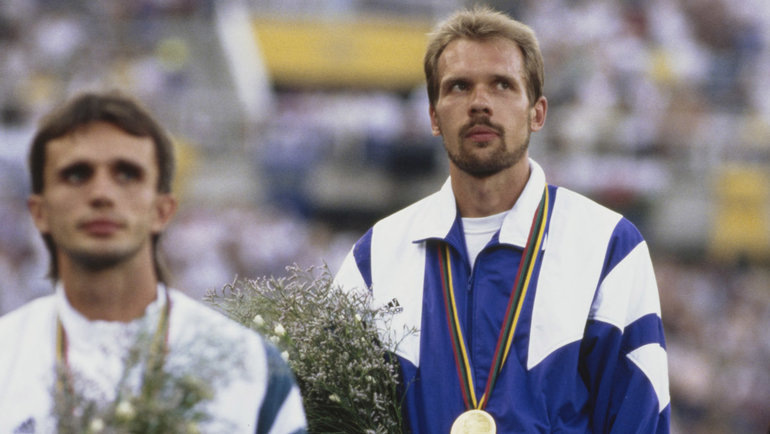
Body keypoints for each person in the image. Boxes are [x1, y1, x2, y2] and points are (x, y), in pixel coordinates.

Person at [334, 7, 670, 433]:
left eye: (502, 85)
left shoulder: (607, 246)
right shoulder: (375, 257)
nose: (479, 103)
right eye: (458, 87)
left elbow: (637, 419)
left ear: (537, 112)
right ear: (434, 116)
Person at [0, 91, 307, 433]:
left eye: (127, 174)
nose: (102, 193)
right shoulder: (6, 354)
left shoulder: (250, 366)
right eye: (77, 174)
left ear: (163, 210)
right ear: (39, 212)